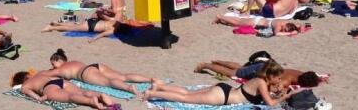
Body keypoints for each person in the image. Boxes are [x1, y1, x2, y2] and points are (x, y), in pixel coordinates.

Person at [143, 61, 302, 106]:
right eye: (278, 78)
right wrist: (288, 95)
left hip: (224, 89)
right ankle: (152, 93)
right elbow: (270, 103)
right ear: (271, 75)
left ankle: (160, 86)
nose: (279, 80)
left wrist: (279, 92)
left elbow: (270, 94)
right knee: (184, 98)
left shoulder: (260, 80)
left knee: (187, 92)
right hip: (222, 97)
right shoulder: (261, 83)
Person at [44, 48, 152, 96]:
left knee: (108, 82)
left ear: (59, 60)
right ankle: (150, 79)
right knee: (123, 76)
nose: (52, 67)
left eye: (53, 64)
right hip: (95, 66)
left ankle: (129, 88)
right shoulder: (73, 62)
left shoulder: (60, 69)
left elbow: (44, 74)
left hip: (86, 73)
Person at [42, 0, 126, 42]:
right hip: (95, 25)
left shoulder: (115, 0)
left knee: (76, 26)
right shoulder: (115, 27)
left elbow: (114, 12)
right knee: (74, 27)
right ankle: (52, 27)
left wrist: (105, 11)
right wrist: (94, 38)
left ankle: (55, 24)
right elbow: (104, 33)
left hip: (95, 23)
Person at [10, 70, 116, 109]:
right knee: (82, 92)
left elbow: (34, 96)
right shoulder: (39, 73)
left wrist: (40, 98)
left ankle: (91, 101)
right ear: (28, 75)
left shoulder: (25, 86)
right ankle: (100, 95)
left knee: (70, 97)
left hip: (48, 87)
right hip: (60, 81)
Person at [194, 59, 322, 90]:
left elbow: (315, 77)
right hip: (262, 71)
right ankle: (206, 65)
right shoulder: (287, 81)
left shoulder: (300, 74)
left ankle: (218, 61)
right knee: (234, 73)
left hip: (268, 66)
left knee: (242, 68)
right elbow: (273, 88)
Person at [214, 14, 306, 36]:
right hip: (255, 22)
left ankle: (222, 18)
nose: (284, 31)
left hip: (258, 20)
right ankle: (220, 16)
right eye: (285, 29)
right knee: (236, 22)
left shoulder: (287, 23)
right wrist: (289, 33)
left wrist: (297, 30)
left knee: (237, 22)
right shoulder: (279, 25)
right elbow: (277, 33)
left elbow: (300, 26)